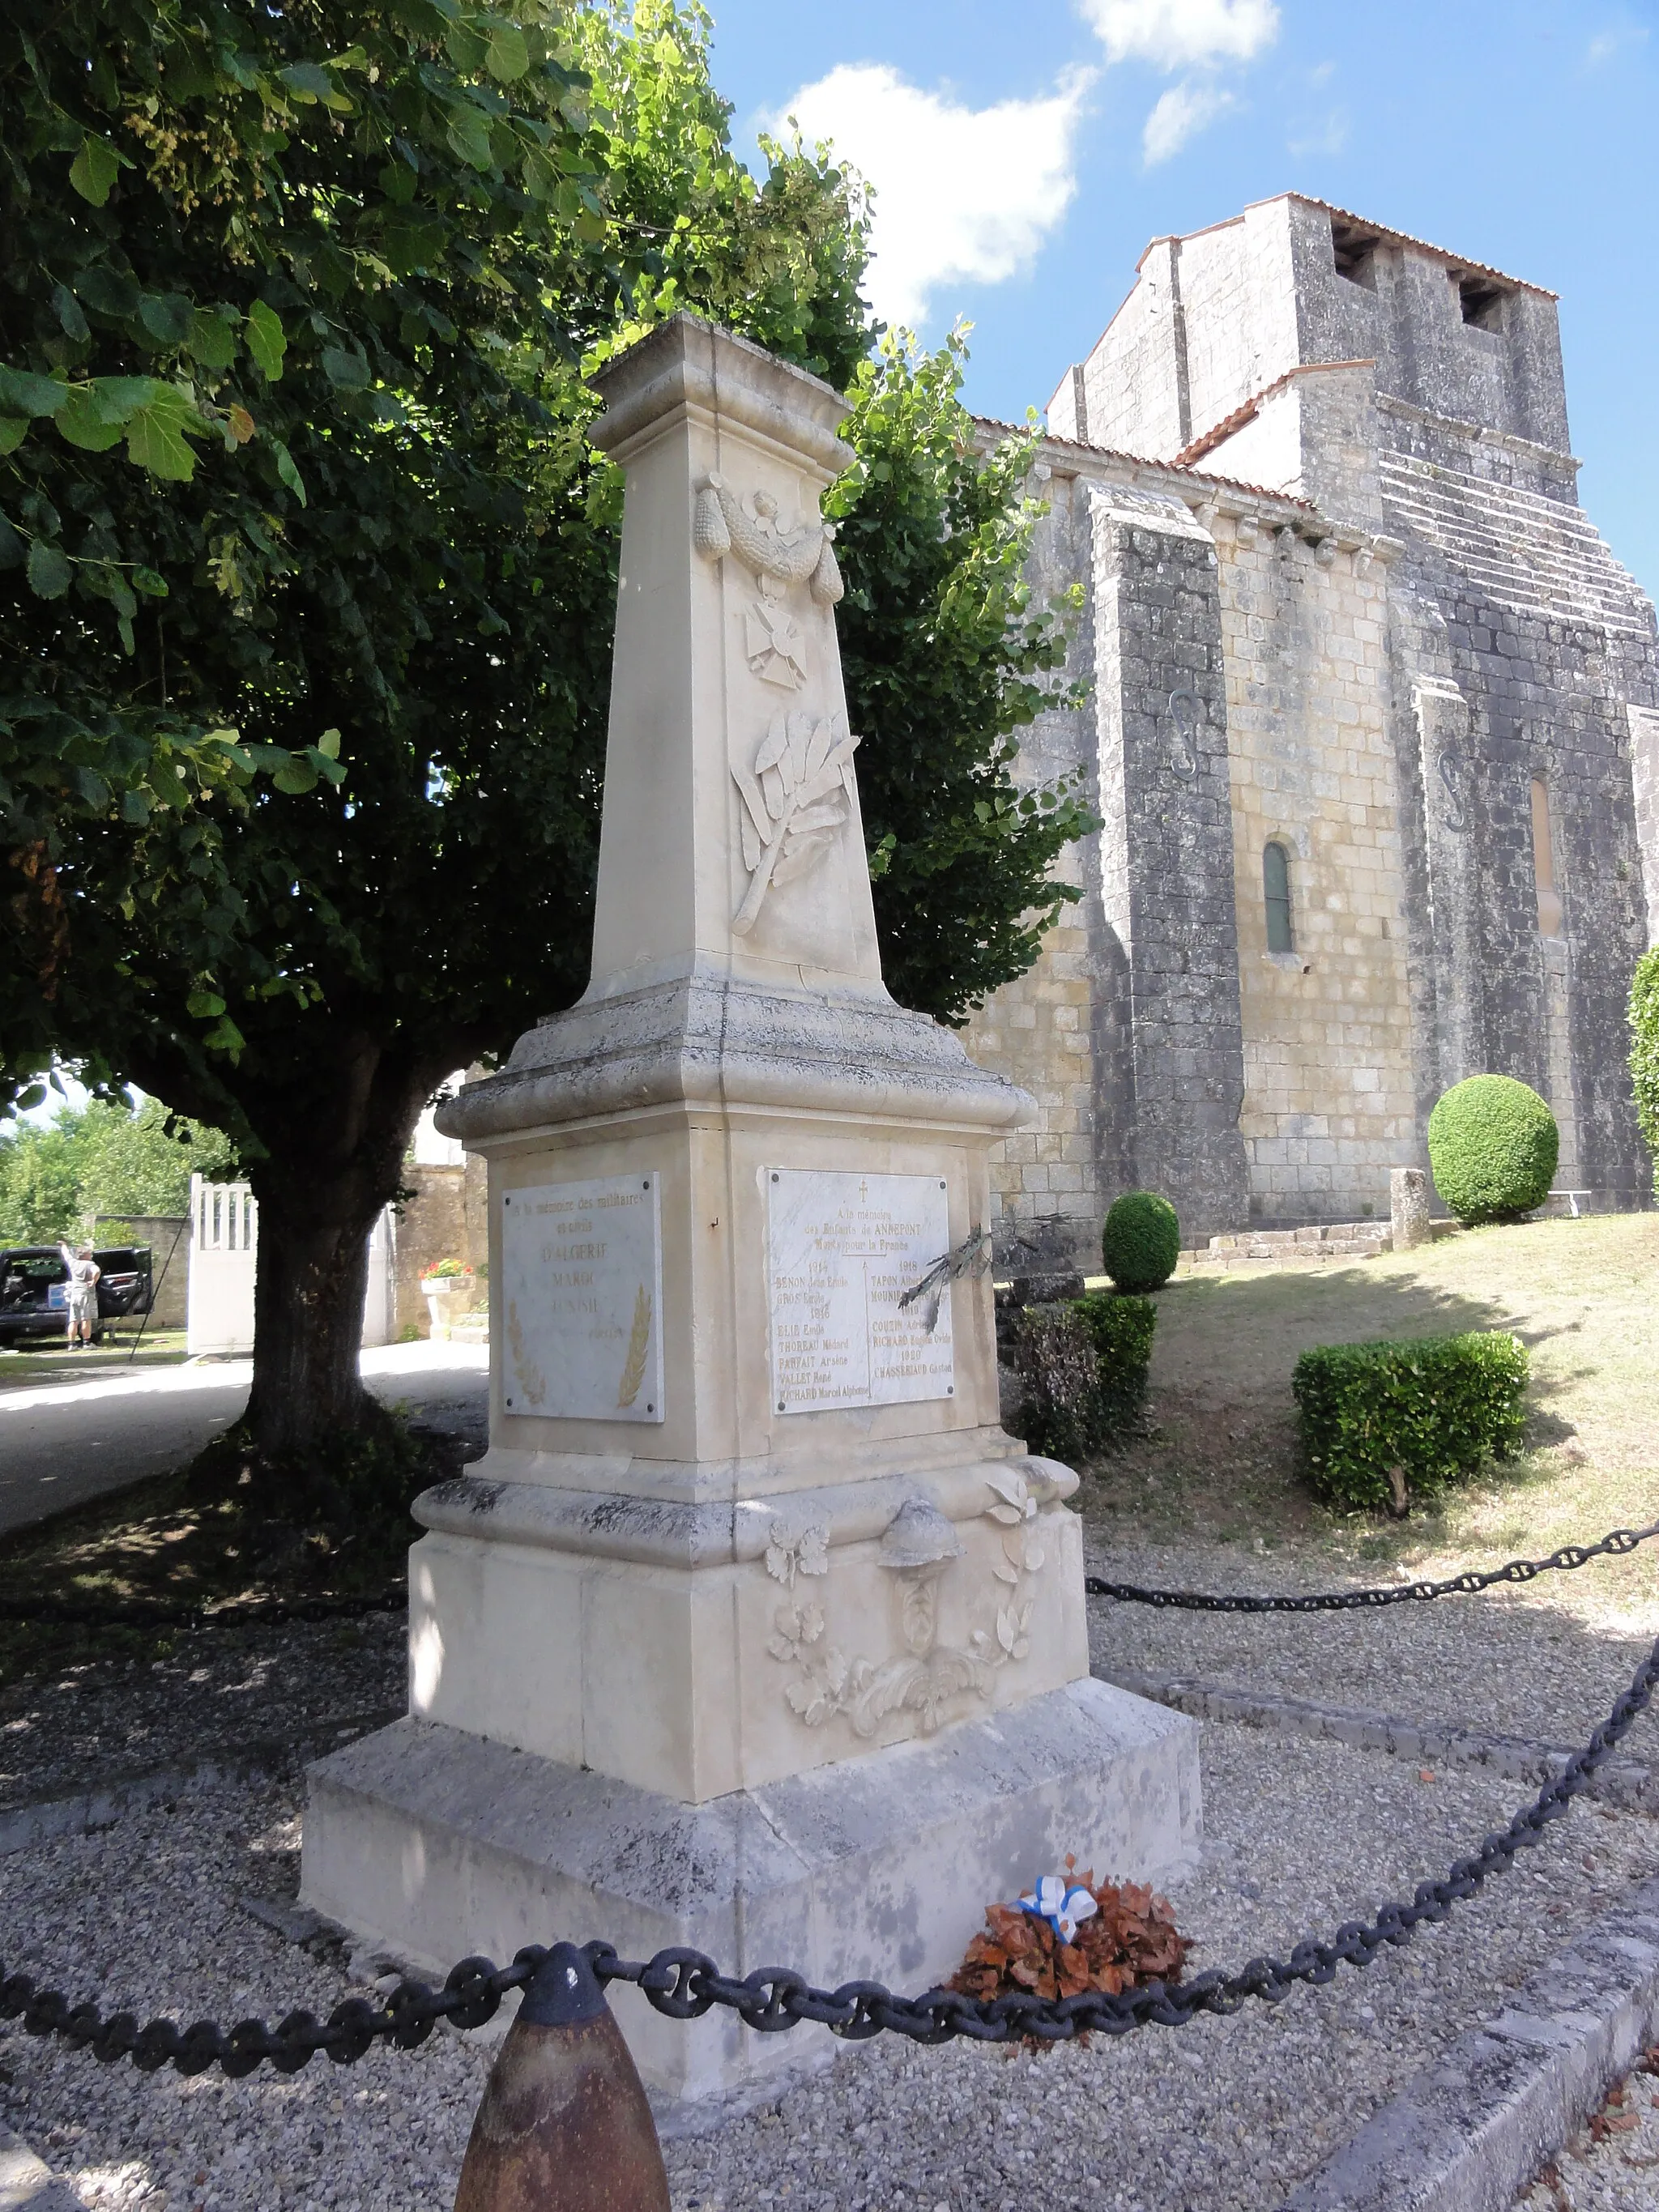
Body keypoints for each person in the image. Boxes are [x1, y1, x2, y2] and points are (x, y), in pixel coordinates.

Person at [58, 1242, 100, 1349]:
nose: (91, 1256)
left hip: (74, 1294)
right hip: (85, 1293)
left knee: (73, 1320)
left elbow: (66, 1254)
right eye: (90, 1254)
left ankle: (71, 1344)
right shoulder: (90, 1264)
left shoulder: (73, 1263)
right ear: (86, 1255)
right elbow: (97, 1271)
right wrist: (93, 1281)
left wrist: (63, 1245)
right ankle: (86, 1343)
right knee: (86, 1319)